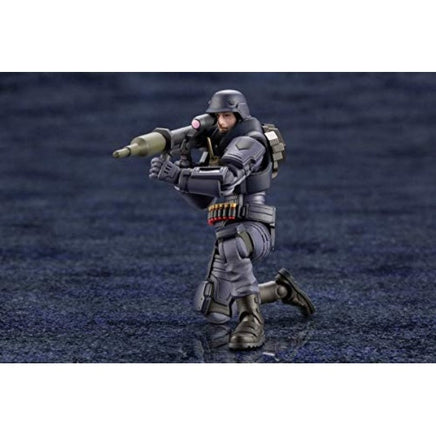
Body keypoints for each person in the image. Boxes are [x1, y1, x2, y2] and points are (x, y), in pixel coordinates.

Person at [149, 89, 315, 350]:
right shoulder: (216, 149)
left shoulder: (252, 141)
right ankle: (281, 290)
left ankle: (252, 321)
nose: (221, 122)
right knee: (214, 309)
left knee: (232, 244)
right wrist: (180, 172)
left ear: (240, 116)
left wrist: (179, 176)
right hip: (226, 229)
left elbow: (226, 180)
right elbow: (202, 201)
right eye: (217, 117)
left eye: (227, 116)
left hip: (254, 228)